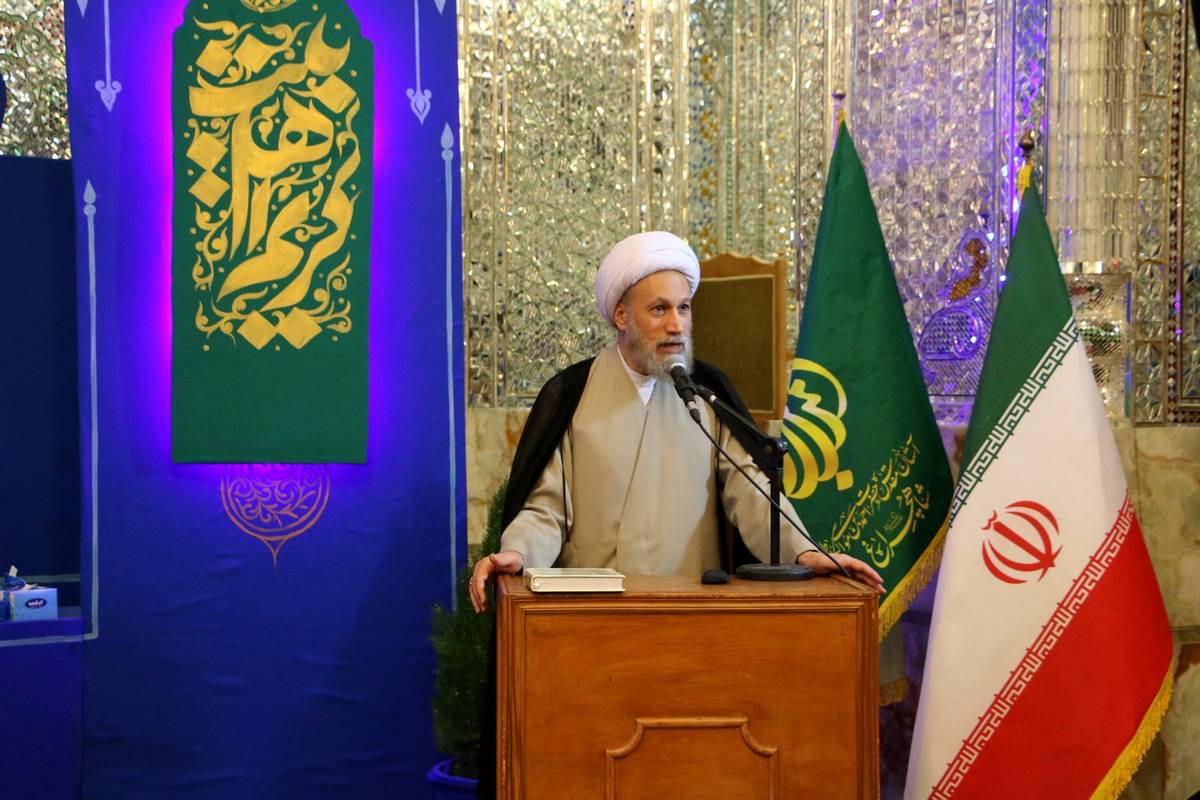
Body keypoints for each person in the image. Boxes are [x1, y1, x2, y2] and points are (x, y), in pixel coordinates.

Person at [469, 231, 884, 615]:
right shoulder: (573, 395)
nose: (676, 325)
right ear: (621, 316)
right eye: (659, 309)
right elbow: (546, 510)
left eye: (683, 308)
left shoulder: (708, 393)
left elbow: (751, 491)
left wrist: (803, 552)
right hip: (593, 614)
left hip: (692, 612)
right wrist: (518, 552)